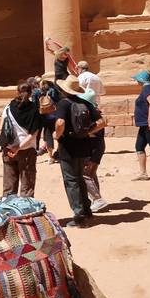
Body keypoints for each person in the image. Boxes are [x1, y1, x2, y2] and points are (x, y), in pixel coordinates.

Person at [53, 76, 105, 227]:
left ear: (64, 89)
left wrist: (57, 135)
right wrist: (87, 132)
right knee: (80, 178)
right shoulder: (84, 102)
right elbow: (102, 122)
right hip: (84, 145)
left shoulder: (63, 103)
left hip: (67, 148)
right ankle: (87, 211)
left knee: (71, 181)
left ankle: (79, 216)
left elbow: (60, 123)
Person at [0, 83, 41, 197]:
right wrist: (18, 148)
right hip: (27, 150)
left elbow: (1, 127)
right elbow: (33, 134)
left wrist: (11, 146)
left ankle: (8, 207)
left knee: (9, 187)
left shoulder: (8, 107)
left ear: (17, 92)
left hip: (8, 149)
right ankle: (26, 208)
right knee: (27, 188)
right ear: (31, 93)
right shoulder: (34, 109)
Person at [78, 89, 109, 213]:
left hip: (94, 147)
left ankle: (97, 199)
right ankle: (96, 200)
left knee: (85, 174)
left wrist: (86, 133)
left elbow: (100, 125)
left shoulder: (91, 113)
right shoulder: (94, 111)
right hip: (97, 146)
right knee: (91, 174)